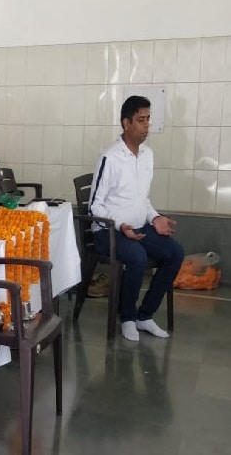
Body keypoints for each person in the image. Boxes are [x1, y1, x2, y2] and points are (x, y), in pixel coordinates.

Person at [89, 96, 184, 342]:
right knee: (137, 257)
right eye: (141, 120)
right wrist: (121, 225)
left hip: (139, 228)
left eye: (148, 119)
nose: (146, 126)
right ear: (126, 123)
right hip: (108, 231)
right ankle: (128, 318)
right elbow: (94, 206)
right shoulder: (110, 158)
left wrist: (155, 218)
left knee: (175, 253)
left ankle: (145, 315)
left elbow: (143, 199)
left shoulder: (147, 155)